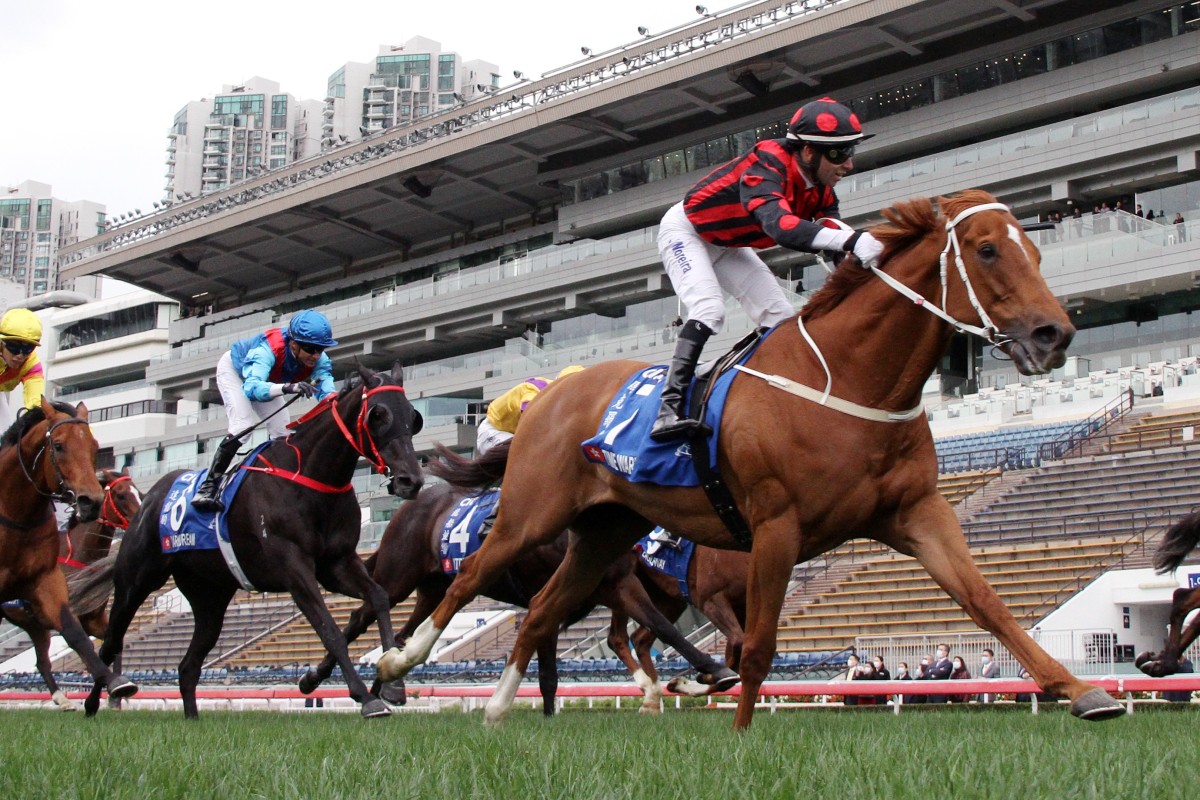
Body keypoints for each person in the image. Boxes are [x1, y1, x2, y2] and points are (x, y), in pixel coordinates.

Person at [649, 97, 883, 441]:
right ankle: (667, 410)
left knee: (779, 316)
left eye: (850, 152)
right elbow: (782, 227)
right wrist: (850, 242)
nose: (848, 164)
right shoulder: (767, 162)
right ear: (806, 152)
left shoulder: (820, 186)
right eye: (838, 153)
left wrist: (855, 268)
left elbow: (830, 230)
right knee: (709, 308)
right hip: (687, 232)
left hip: (727, 242)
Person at [191, 310, 338, 512]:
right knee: (243, 427)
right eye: (311, 349)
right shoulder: (267, 350)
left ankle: (283, 485)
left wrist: (335, 401)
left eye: (320, 349)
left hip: (267, 380)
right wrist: (288, 387)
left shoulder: (318, 359)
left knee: (283, 433)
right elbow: (251, 389)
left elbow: (326, 389)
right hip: (237, 373)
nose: (316, 355)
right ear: (294, 344)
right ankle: (207, 487)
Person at [475, 365, 585, 456]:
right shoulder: (536, 390)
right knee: (523, 452)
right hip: (493, 430)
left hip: (514, 434)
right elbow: (530, 422)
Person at [0, 308, 47, 433]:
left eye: (28, 349)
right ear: (2, 342)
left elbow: (34, 405)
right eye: (14, 347)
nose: (20, 356)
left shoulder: (31, 364)